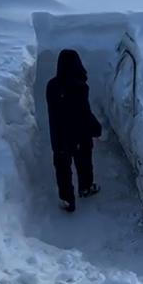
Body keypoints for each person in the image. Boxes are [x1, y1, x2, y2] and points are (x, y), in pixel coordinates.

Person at [46, 49, 102, 212]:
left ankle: (67, 200)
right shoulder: (80, 86)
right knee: (84, 162)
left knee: (62, 167)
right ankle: (85, 188)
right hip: (79, 134)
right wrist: (95, 128)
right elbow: (84, 112)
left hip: (59, 135)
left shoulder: (52, 85)